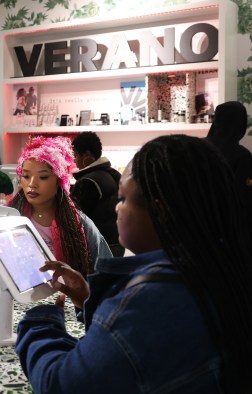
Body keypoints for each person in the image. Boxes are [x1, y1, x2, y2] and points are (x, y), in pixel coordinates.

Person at [15, 135, 252, 393]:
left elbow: (60, 384)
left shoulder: (151, 301)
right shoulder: (215, 272)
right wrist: (88, 298)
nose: (116, 209)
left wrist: (41, 323)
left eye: (123, 199)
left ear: (159, 211)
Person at [7, 136, 112, 277]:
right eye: (26, 176)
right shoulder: (7, 217)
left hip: (67, 296)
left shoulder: (79, 223)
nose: (32, 184)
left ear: (58, 181)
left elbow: (107, 271)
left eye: (43, 177)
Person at [71, 131, 124, 256]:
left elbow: (74, 217)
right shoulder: (112, 174)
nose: (75, 160)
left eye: (76, 155)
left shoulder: (88, 182)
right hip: (116, 240)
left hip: (100, 244)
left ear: (87, 155)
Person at [206, 101, 252, 233]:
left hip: (198, 226)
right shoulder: (241, 156)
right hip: (228, 230)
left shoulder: (197, 147)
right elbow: (245, 198)